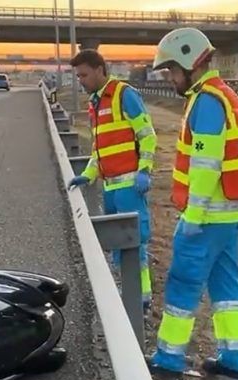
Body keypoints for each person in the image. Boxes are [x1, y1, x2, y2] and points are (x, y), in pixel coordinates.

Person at [147, 28, 238, 379]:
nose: (170, 77)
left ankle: (168, 357)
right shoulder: (221, 95)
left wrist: (193, 215)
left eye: (172, 70)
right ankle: (234, 358)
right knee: (226, 286)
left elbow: (206, 165)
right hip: (230, 213)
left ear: (189, 63)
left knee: (184, 281)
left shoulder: (207, 101)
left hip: (207, 216)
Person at [67, 49, 157, 311]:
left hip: (130, 185)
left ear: (99, 70)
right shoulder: (95, 102)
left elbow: (147, 135)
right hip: (110, 187)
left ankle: (141, 298)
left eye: (84, 74)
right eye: (78, 76)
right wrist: (88, 174)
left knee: (134, 244)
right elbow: (99, 148)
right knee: (119, 247)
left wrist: (145, 170)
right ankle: (128, 290)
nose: (80, 80)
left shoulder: (123, 95)